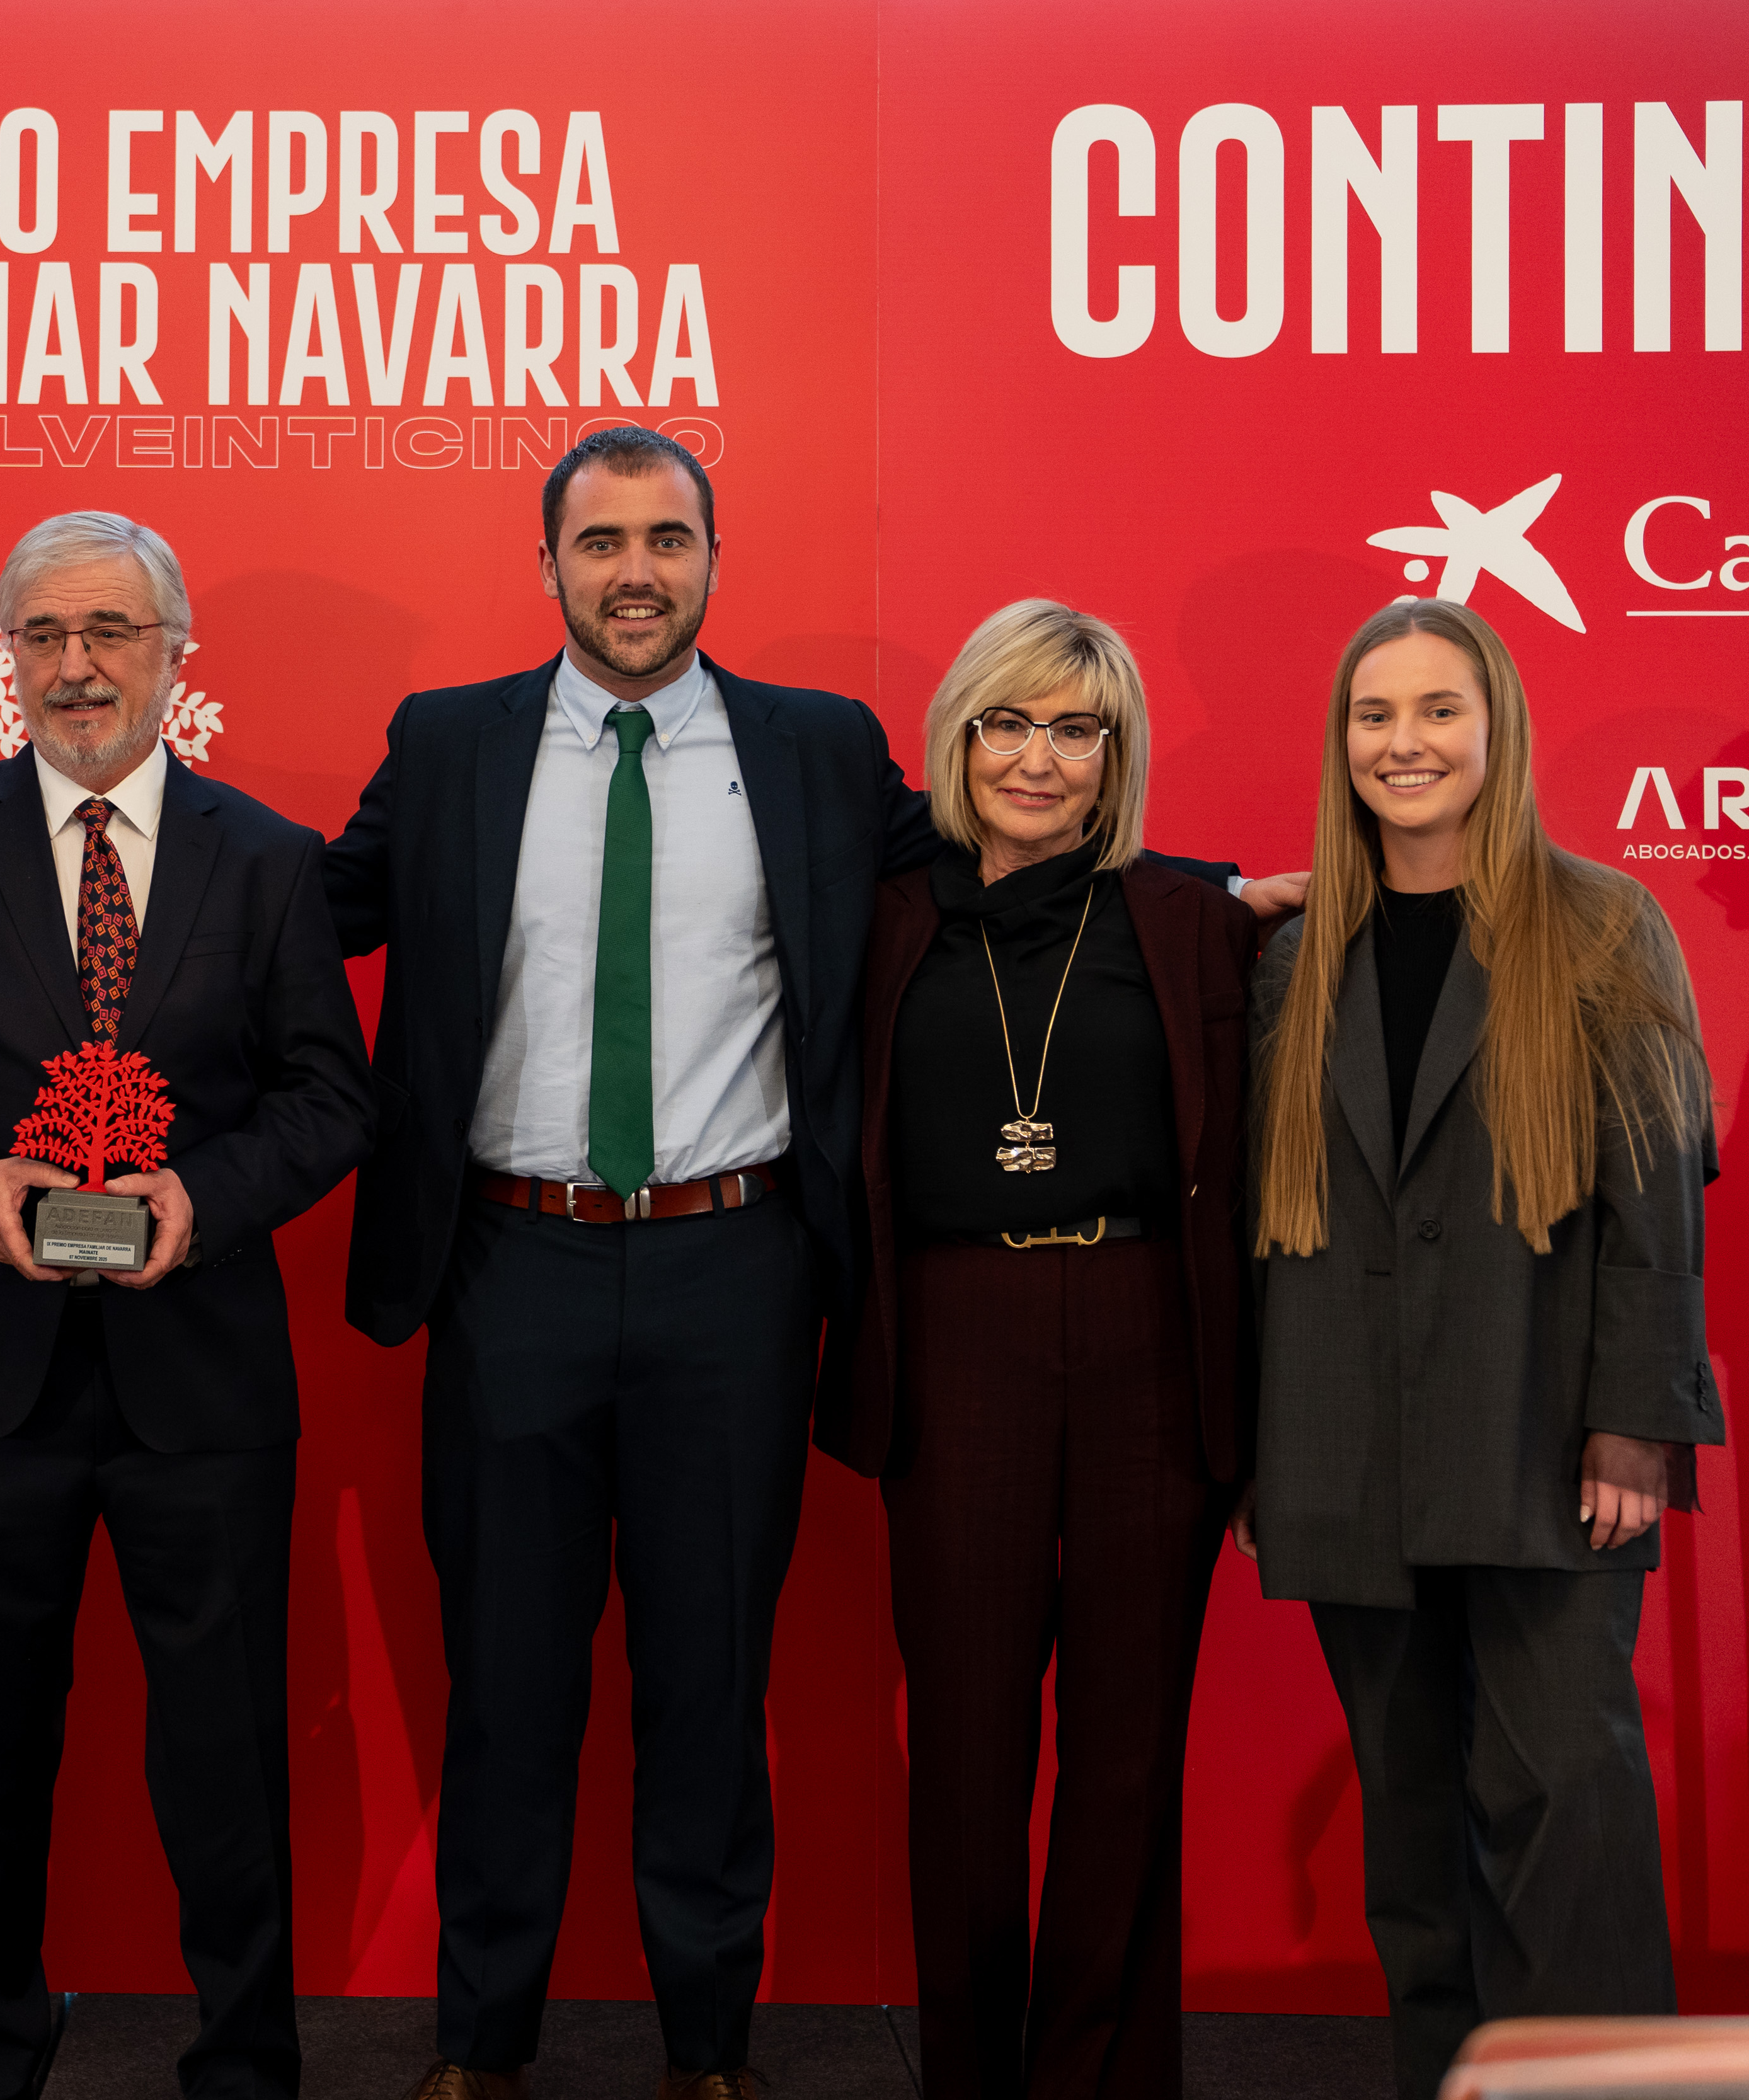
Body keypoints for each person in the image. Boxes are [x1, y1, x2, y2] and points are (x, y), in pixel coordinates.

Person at [322, 428, 1287, 2100]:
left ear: (715, 555)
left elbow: (1017, 855)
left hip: (737, 1272)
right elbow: (303, 915)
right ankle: (481, 2048)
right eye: (603, 538)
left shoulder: (818, 752)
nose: (638, 568)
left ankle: (712, 2050)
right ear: (544, 560)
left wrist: (1211, 895)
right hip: (509, 1263)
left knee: (712, 1681)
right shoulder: (453, 743)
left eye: (670, 536)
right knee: (508, 1683)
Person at [0, 512, 373, 2100]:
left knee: (225, 1750)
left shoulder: (269, 858)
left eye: (111, 633)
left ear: (173, 653)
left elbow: (327, 1099)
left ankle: (245, 2058)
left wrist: (203, 1201)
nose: (75, 666)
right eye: (44, 634)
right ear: (4, 654)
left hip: (196, 1370)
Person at [1236, 599, 1724, 2100]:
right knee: (1412, 1820)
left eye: (1437, 710)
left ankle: (1591, 2088)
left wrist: (1634, 1418)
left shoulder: (1601, 921)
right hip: (1342, 1445)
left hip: (1542, 1440)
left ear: (1494, 727)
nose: (1405, 743)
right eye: (1374, 715)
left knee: (1562, 1802)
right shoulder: (1292, 951)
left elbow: (1657, 1189)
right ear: (1341, 744)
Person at [824, 604, 1256, 2100]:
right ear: (957, 735)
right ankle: (971, 2074)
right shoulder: (882, 916)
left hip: (1149, 1338)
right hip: (955, 1340)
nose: (1037, 757)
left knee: (1128, 1750)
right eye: (1007, 720)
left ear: (1114, 755)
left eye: (1076, 728)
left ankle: (1103, 2077)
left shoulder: (1191, 917)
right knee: (964, 1746)